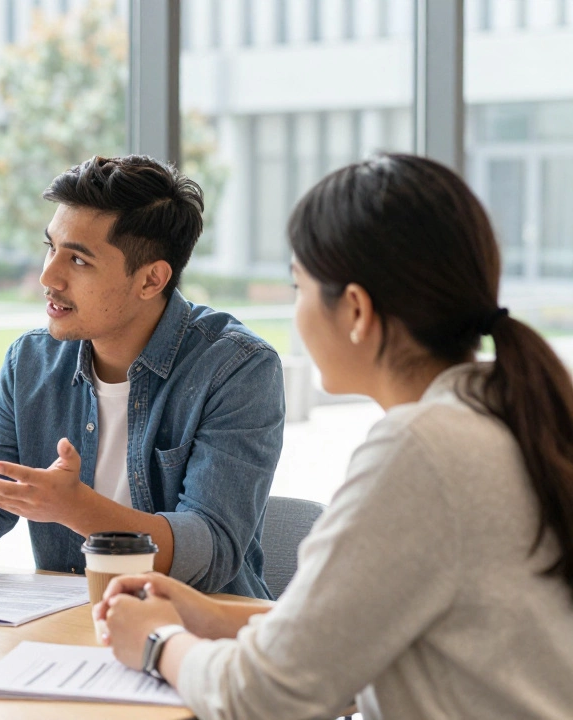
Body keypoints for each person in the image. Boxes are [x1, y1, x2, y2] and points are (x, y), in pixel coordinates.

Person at [97, 153, 573, 719]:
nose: (296, 312)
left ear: (355, 310)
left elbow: (264, 696)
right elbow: (347, 638)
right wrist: (208, 616)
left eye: (298, 286)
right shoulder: (501, 415)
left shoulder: (421, 449)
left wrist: (157, 643)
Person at [0, 155, 285, 598]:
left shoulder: (238, 369)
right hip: (71, 630)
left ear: (151, 280)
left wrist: (76, 507)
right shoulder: (31, 363)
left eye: (79, 261)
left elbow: (209, 550)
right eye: (51, 248)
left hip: (200, 633)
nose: (48, 276)